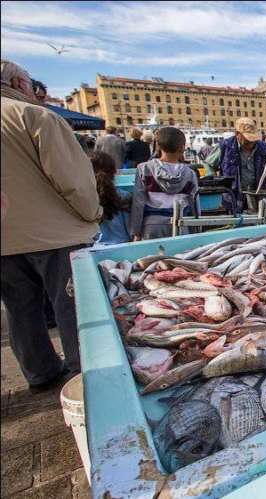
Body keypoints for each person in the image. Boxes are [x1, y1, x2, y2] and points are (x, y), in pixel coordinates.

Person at [1, 59, 102, 390]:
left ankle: (39, 372)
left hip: (5, 240)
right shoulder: (35, 116)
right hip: (55, 237)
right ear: (19, 85)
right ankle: (83, 376)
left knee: (20, 309)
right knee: (74, 308)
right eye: (31, 84)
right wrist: (92, 214)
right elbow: (74, 182)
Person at [129, 126, 198, 240]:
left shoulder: (144, 169)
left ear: (159, 146)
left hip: (152, 226)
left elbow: (138, 203)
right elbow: (194, 205)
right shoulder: (190, 174)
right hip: (182, 224)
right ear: (182, 148)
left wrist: (136, 232)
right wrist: (196, 229)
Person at [205, 117, 266, 212]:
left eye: (253, 138)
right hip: (232, 197)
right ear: (237, 134)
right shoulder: (225, 146)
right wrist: (215, 180)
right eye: (248, 139)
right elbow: (207, 164)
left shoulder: (264, 148)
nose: (251, 142)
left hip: (258, 197)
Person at [90, 151, 131, 245]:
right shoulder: (124, 196)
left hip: (95, 247)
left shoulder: (84, 198)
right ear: (114, 172)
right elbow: (129, 229)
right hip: (122, 246)